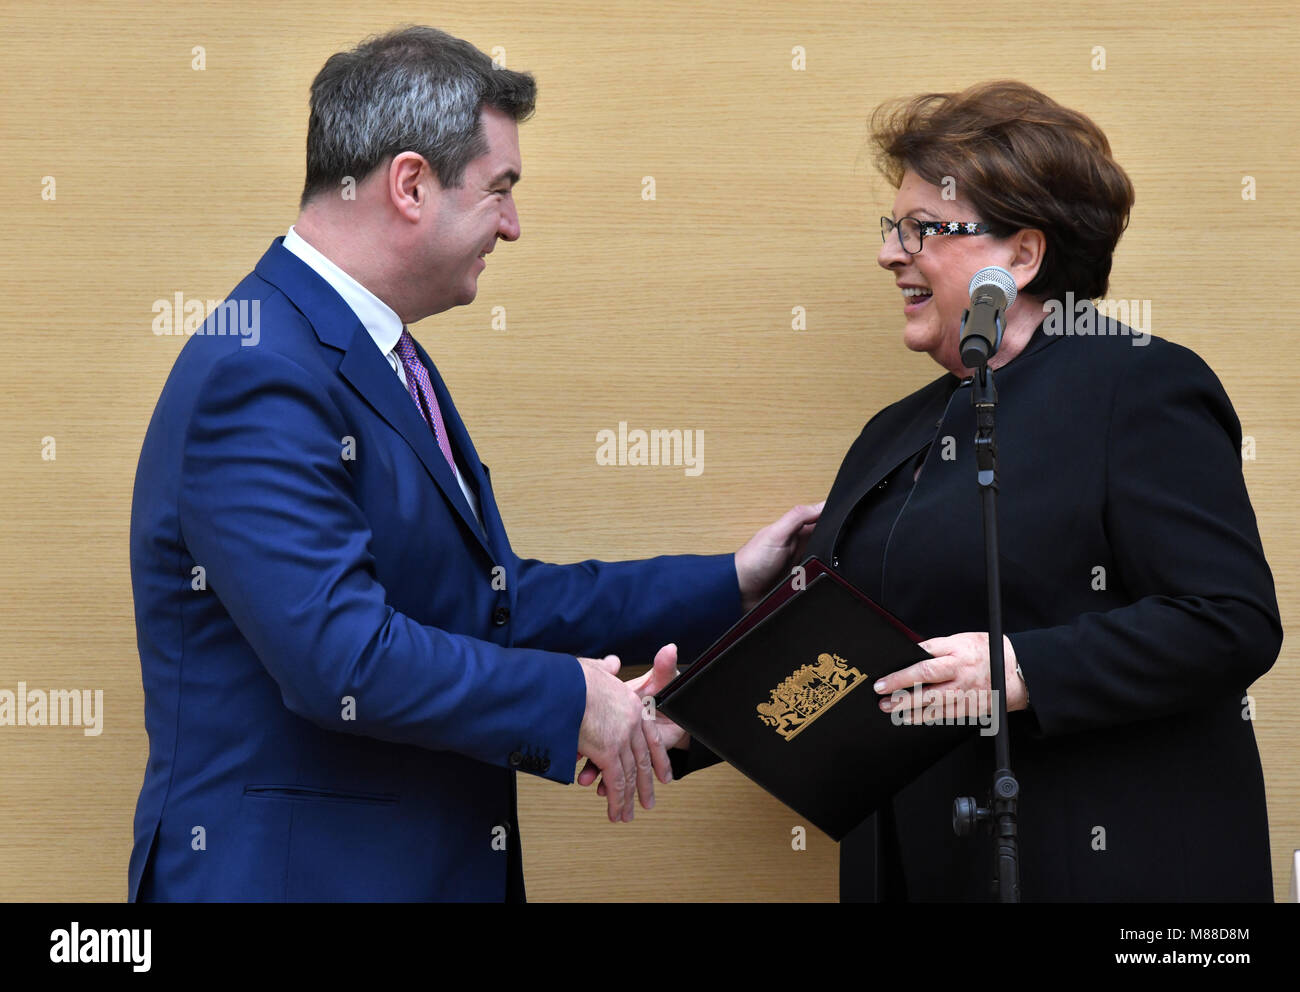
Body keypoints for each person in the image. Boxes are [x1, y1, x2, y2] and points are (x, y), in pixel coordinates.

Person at [127, 25, 819, 902]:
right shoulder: (259, 369)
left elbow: (488, 608)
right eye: (501, 190)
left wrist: (732, 582)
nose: (515, 227)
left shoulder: (371, 352)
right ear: (411, 184)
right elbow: (340, 660)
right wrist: (575, 702)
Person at [661, 80, 1282, 901]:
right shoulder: (895, 430)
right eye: (893, 228)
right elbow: (851, 656)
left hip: (1100, 865)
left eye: (921, 230)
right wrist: (684, 724)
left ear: (1021, 256)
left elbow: (1230, 621)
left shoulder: (1138, 384)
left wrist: (1023, 667)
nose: (890, 253)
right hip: (917, 868)